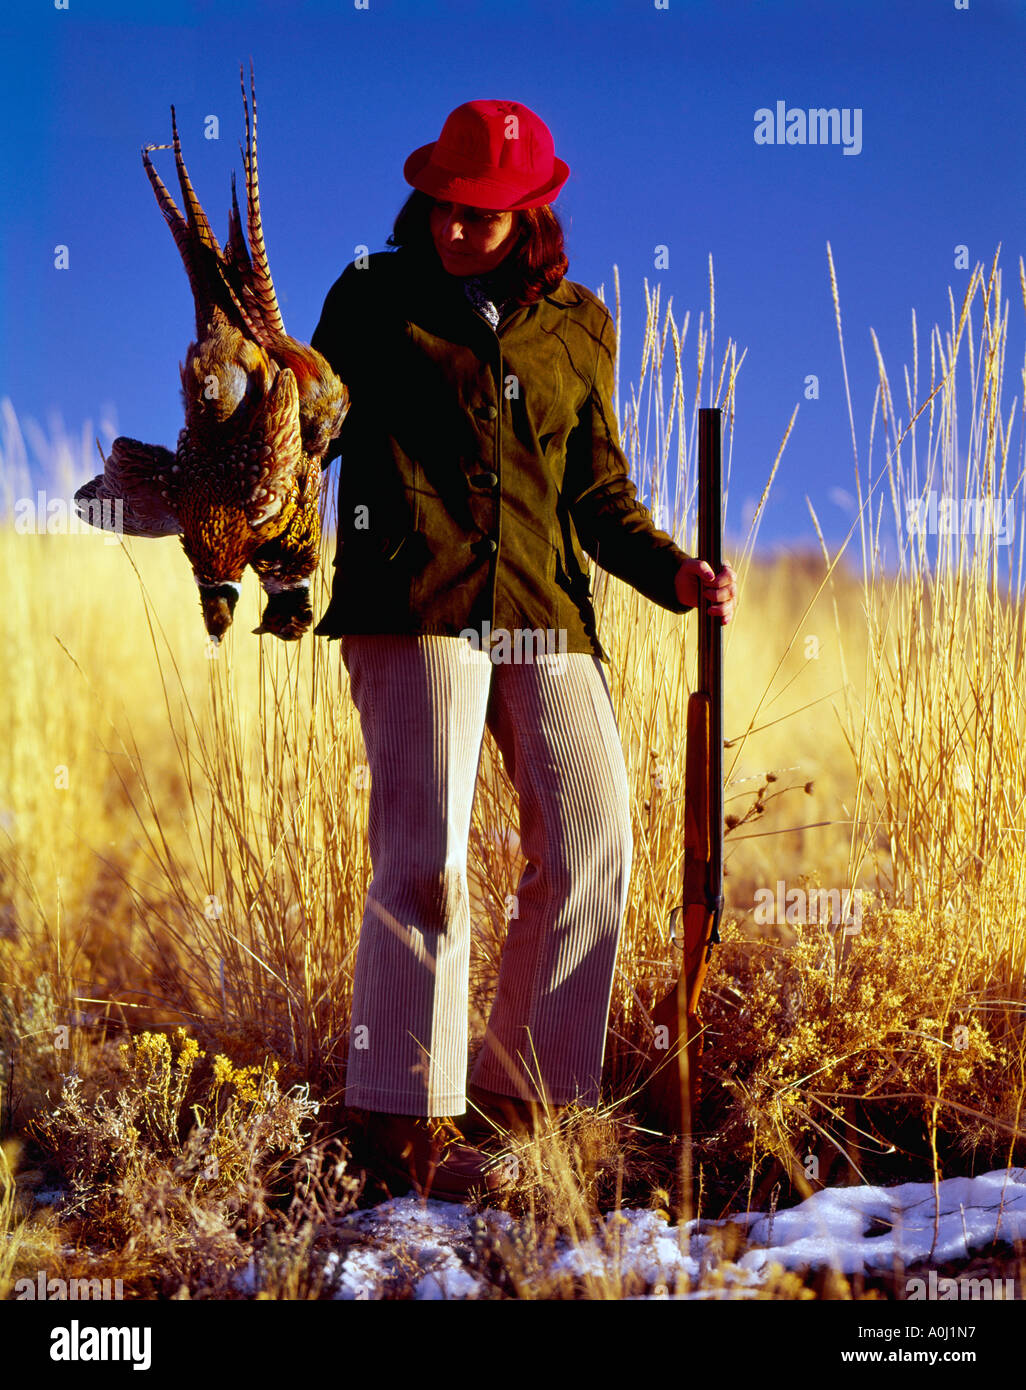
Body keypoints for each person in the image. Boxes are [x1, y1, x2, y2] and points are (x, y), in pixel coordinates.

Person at [310, 99, 737, 1202]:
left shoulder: (579, 324)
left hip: (544, 603)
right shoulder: (370, 299)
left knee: (598, 835)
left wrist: (674, 573)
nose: (460, 227)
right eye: (448, 206)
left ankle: (527, 1106)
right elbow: (305, 424)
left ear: (533, 211)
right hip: (415, 600)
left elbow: (598, 493)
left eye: (486, 215)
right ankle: (402, 1127)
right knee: (426, 861)